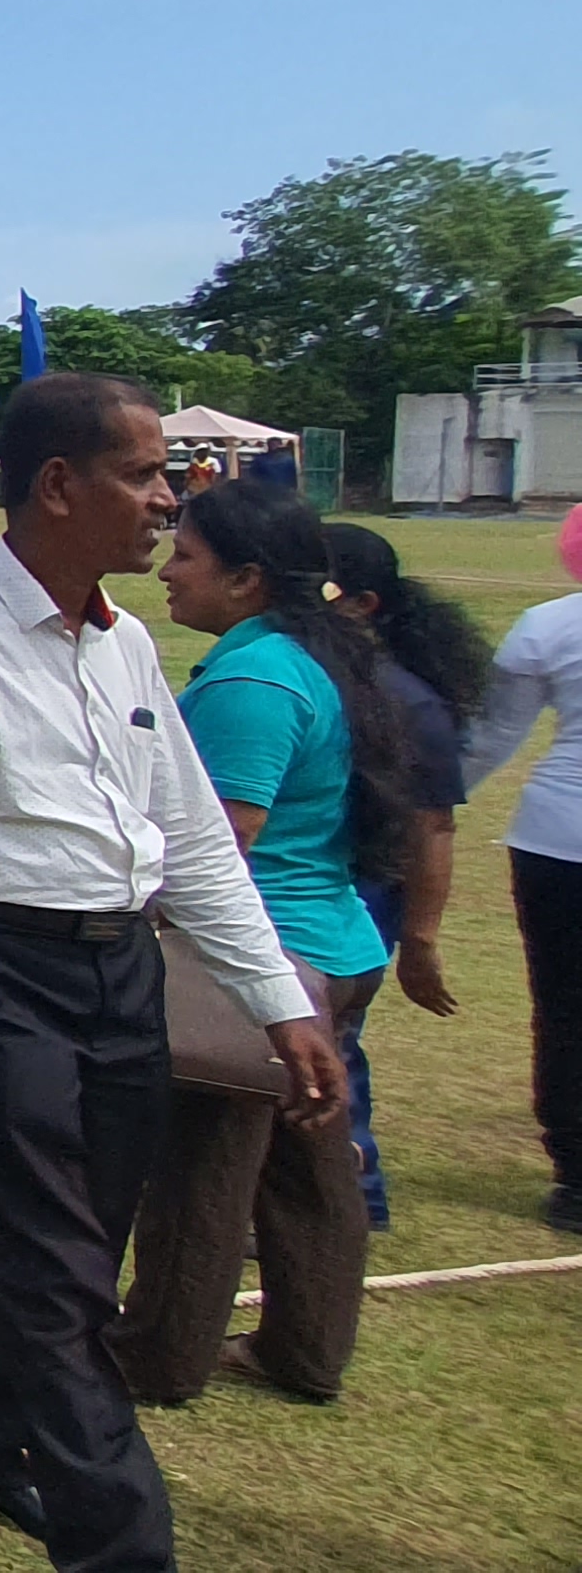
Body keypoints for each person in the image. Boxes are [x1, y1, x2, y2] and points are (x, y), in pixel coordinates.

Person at [0, 372, 346, 1563]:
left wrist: (277, 1003)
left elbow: (191, 839)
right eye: (144, 475)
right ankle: (122, 1541)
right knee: (57, 1276)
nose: (169, 500)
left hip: (119, 970)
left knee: (61, 1238)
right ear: (58, 484)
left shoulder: (126, 643)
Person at [116, 482, 408, 1409]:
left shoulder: (253, 682)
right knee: (307, 1163)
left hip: (259, 961)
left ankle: (157, 1356)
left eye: (186, 556)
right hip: (328, 942)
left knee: (202, 1170)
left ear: (246, 578)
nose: (168, 572)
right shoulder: (311, 658)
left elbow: (221, 842)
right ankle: (305, 1349)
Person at [321, 522, 476, 1227]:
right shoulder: (320, 678)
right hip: (335, 888)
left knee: (328, 1036)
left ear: (362, 605)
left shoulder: (404, 703)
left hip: (360, 893)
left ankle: (354, 1194)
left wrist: (421, 938)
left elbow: (432, 826)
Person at [465, 504, 582, 1237]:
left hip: (556, 837)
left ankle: (575, 1175)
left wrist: (427, 807)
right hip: (556, 837)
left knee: (564, 1008)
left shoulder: (546, 626)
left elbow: (490, 737)